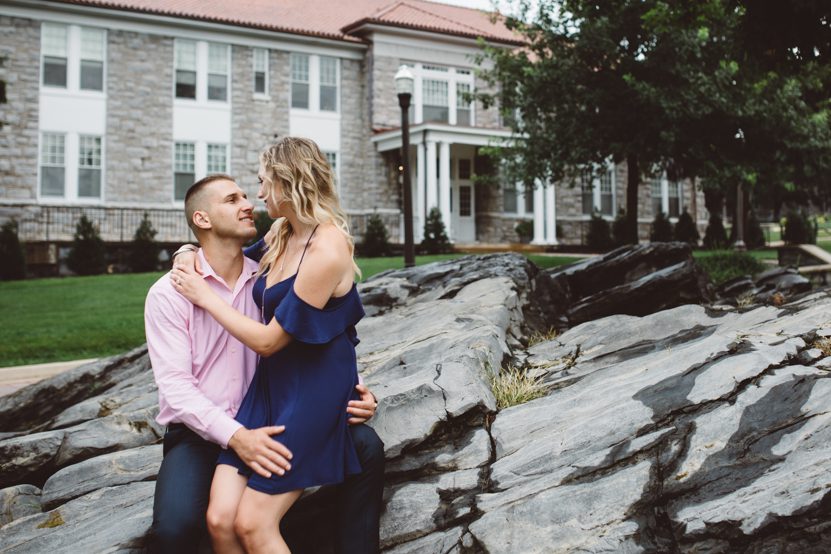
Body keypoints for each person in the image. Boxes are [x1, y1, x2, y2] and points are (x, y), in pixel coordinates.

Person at [144, 170, 384, 554]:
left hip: (278, 409)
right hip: (203, 431)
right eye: (232, 199)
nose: (249, 203)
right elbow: (175, 390)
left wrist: (356, 390)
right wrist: (237, 437)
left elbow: (320, 334)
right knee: (177, 529)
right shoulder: (171, 293)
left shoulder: (269, 271)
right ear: (201, 220)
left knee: (366, 445)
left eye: (247, 194)